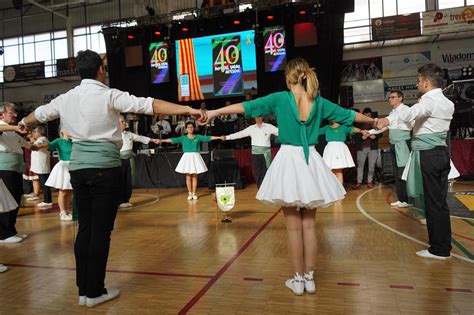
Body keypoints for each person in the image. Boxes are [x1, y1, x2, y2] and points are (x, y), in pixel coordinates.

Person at [20, 50, 206, 307]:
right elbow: (149, 104)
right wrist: (187, 109)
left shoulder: (66, 98)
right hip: (104, 169)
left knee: (85, 228)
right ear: (100, 69)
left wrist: (23, 122)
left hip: (78, 170)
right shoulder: (108, 95)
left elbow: (38, 114)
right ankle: (94, 291)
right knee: (100, 231)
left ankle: (84, 291)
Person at [202, 58, 376, 295]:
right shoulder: (319, 102)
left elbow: (245, 108)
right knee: (310, 226)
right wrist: (376, 120)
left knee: (293, 229)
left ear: (289, 77)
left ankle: (297, 281)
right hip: (311, 161)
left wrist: (214, 112)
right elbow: (349, 115)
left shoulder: (281, 98)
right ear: (305, 75)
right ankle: (309, 279)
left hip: (288, 161)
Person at [377, 63, 454, 260]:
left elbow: (410, 114)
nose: (417, 83)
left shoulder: (429, 102)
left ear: (427, 83)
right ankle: (443, 245)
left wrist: (387, 120)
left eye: (419, 80)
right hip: (441, 153)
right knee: (439, 202)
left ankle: (439, 249)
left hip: (429, 155)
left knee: (433, 202)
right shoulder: (447, 102)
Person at [157, 121, 222, 200]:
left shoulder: (198, 137)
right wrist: (162, 140)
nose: (190, 128)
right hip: (187, 157)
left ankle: (194, 193)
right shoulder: (183, 138)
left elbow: (208, 138)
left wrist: (219, 137)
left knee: (194, 176)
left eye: (191, 127)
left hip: (195, 156)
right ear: (186, 129)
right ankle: (190, 193)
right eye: (188, 127)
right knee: (188, 176)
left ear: (193, 128)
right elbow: (173, 140)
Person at [0, 104, 36, 244]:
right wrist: (15, 128)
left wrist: (34, 146)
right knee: (6, 201)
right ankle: (3, 234)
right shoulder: (3, 127)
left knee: (15, 199)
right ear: (2, 115)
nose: (15, 114)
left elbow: (22, 143)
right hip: (4, 169)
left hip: (15, 169)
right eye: (11, 112)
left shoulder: (12, 130)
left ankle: (11, 230)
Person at [370, 90, 413, 208]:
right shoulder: (393, 112)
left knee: (403, 172)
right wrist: (369, 132)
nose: (390, 99)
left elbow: (412, 123)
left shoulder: (406, 110)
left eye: (393, 97)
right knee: (397, 173)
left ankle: (409, 199)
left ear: (400, 98)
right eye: (389, 97)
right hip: (394, 145)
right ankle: (402, 199)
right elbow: (385, 125)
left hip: (403, 144)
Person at [223, 116, 278, 188]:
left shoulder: (269, 127)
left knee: (267, 171)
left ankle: (268, 189)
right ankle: (261, 189)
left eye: (260, 117)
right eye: (256, 117)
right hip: (255, 153)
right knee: (257, 172)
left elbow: (282, 133)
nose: (258, 118)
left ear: (262, 118)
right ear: (254, 118)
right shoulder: (251, 128)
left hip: (266, 153)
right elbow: (240, 134)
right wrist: (227, 137)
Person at [119, 114, 159, 209]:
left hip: (129, 159)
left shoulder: (128, 134)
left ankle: (126, 200)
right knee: (120, 181)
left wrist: (152, 140)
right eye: (122, 122)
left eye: (124, 121)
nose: (125, 123)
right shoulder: (114, 136)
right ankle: (119, 201)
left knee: (128, 181)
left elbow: (140, 138)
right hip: (118, 160)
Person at [38, 128, 74, 220]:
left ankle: (67, 211)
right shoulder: (59, 141)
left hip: (73, 166)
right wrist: (37, 146)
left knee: (69, 191)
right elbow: (49, 145)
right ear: (62, 132)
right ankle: (62, 212)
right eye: (68, 129)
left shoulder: (73, 142)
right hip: (64, 166)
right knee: (63, 191)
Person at [354, 107, 381, 189]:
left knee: (371, 166)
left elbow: (381, 133)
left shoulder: (375, 123)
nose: (367, 117)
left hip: (373, 148)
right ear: (363, 115)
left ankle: (369, 181)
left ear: (371, 115)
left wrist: (375, 136)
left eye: (369, 115)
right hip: (361, 148)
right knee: (360, 166)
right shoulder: (358, 124)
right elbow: (354, 134)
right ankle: (359, 182)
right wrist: (361, 138)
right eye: (366, 115)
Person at [30, 125, 53, 208]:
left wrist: (31, 142)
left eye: (34, 132)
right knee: (43, 183)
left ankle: (47, 201)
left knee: (44, 183)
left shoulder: (42, 139)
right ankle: (47, 200)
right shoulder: (41, 139)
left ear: (39, 132)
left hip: (42, 166)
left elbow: (36, 145)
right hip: (40, 166)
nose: (33, 133)